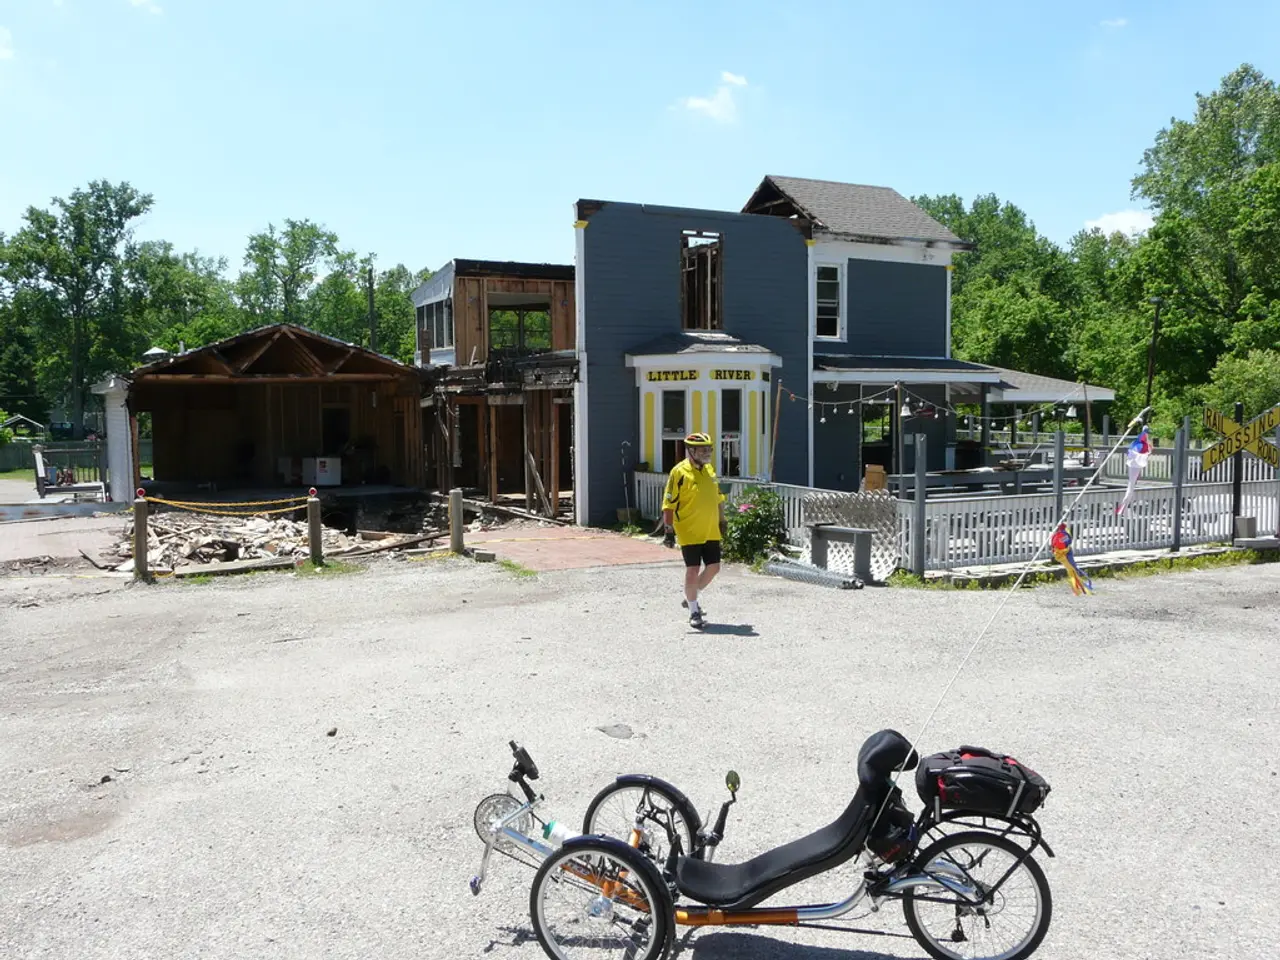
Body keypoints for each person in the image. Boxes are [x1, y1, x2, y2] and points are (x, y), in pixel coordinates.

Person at [661, 432, 727, 627]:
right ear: (691, 451)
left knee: (714, 567)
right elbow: (668, 503)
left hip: (710, 528)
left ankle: (690, 595)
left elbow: (718, 498)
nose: (707, 453)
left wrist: (722, 520)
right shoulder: (679, 472)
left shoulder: (709, 470)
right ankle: (694, 611)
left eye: (709, 449)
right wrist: (668, 530)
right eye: (703, 449)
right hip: (689, 529)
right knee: (693, 569)